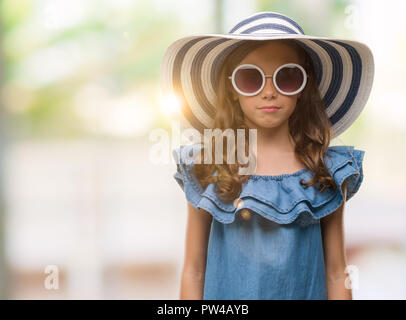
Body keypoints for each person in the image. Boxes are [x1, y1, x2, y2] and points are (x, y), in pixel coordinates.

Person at [160, 11, 374, 300]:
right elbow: (194, 270)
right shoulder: (209, 167)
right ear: (232, 89)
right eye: (251, 78)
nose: (269, 92)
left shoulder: (326, 170)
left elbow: (337, 271)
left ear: (304, 87)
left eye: (287, 77)